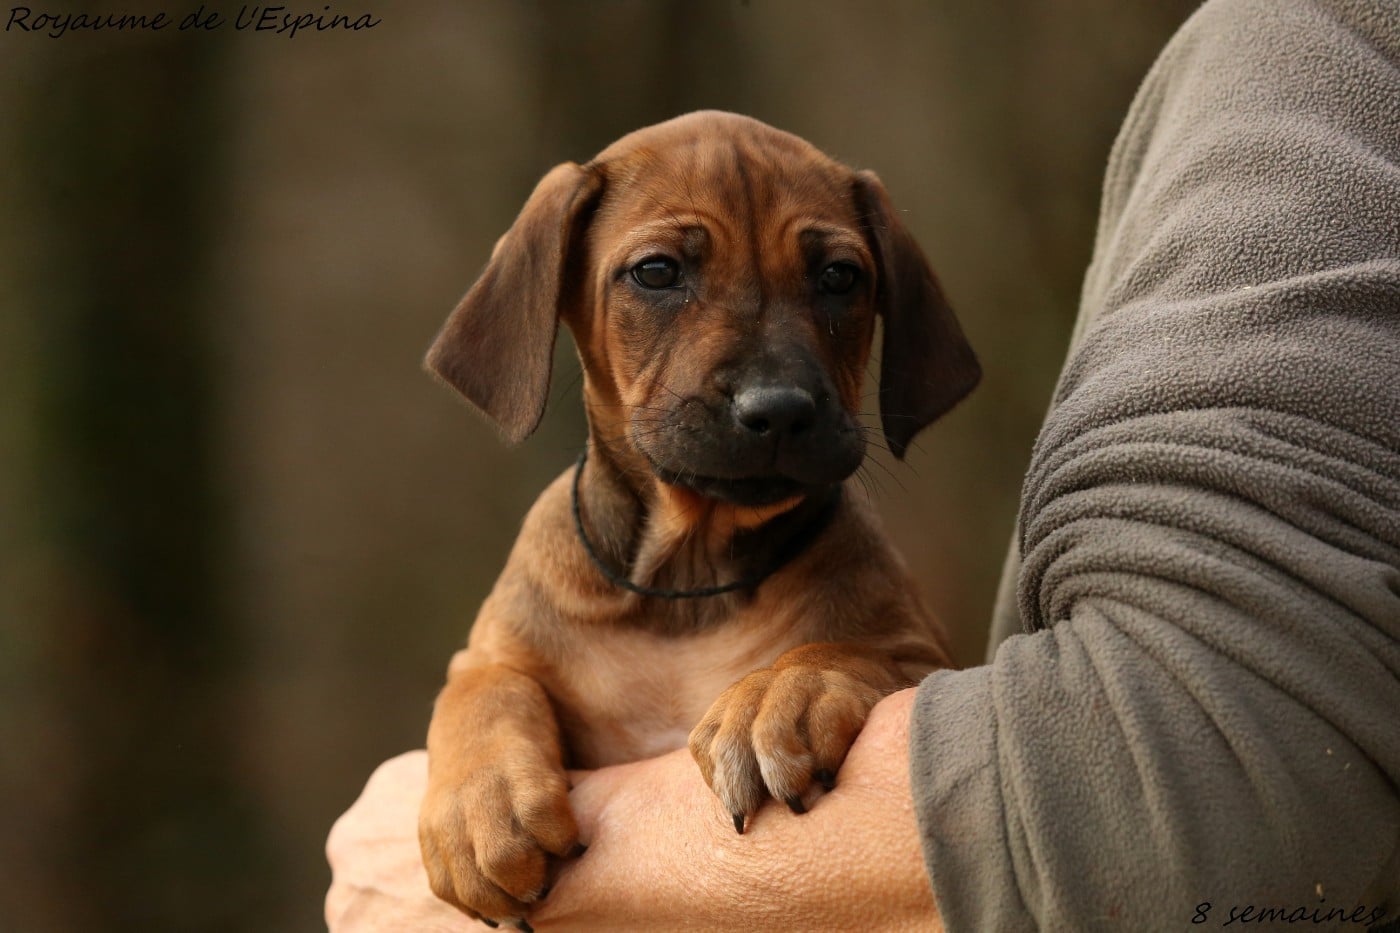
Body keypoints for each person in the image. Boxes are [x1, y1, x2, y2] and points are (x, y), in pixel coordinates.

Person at [326, 0, 1400, 927]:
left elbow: (939, 719)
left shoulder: (858, 604)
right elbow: (489, 675)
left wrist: (838, 676)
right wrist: (482, 728)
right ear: (547, 306)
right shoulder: (539, 607)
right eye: (659, 276)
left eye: (833, 284)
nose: (772, 385)